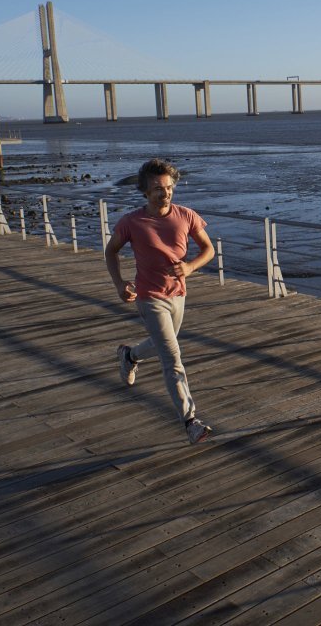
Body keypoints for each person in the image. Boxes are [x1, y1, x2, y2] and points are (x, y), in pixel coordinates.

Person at [105, 158, 216, 444]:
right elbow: (111, 251)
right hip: (149, 297)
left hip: (177, 295)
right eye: (157, 188)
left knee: (162, 344)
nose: (164, 193)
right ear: (145, 191)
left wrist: (190, 267)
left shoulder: (186, 215)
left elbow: (208, 249)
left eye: (168, 187)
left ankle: (129, 355)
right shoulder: (132, 222)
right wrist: (120, 284)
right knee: (172, 357)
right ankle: (191, 421)